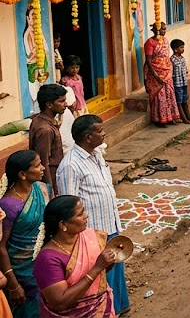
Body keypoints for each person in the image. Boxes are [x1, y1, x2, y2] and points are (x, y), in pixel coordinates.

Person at [54, 116, 127, 315]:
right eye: (100, 131)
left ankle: (118, 307)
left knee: (116, 269)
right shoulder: (70, 166)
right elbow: (68, 205)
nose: (104, 133)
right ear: (88, 136)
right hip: (92, 232)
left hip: (109, 224)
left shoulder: (97, 154)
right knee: (100, 277)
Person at [33, 196, 118, 317]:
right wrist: (97, 267)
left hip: (101, 308)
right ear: (63, 224)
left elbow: (102, 275)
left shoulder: (90, 237)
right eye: (80, 214)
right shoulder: (47, 259)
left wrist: (109, 259)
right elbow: (60, 302)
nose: (86, 216)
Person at [0, 150, 50, 318]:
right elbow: (1, 246)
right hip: (22, 272)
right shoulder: (8, 205)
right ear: (22, 174)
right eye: (37, 166)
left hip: (45, 262)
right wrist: (13, 284)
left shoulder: (42, 189)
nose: (43, 168)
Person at [29, 85, 67, 186]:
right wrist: (49, 191)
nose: (66, 104)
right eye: (61, 101)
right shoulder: (45, 130)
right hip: (51, 179)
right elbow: (43, 162)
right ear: (49, 105)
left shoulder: (43, 121)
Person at [167, 39, 190, 125]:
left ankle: (188, 116)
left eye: (183, 47)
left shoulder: (182, 58)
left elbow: (185, 69)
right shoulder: (172, 60)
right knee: (179, 101)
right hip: (177, 84)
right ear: (175, 49)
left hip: (184, 82)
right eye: (181, 47)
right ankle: (184, 118)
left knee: (185, 100)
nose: (183, 49)